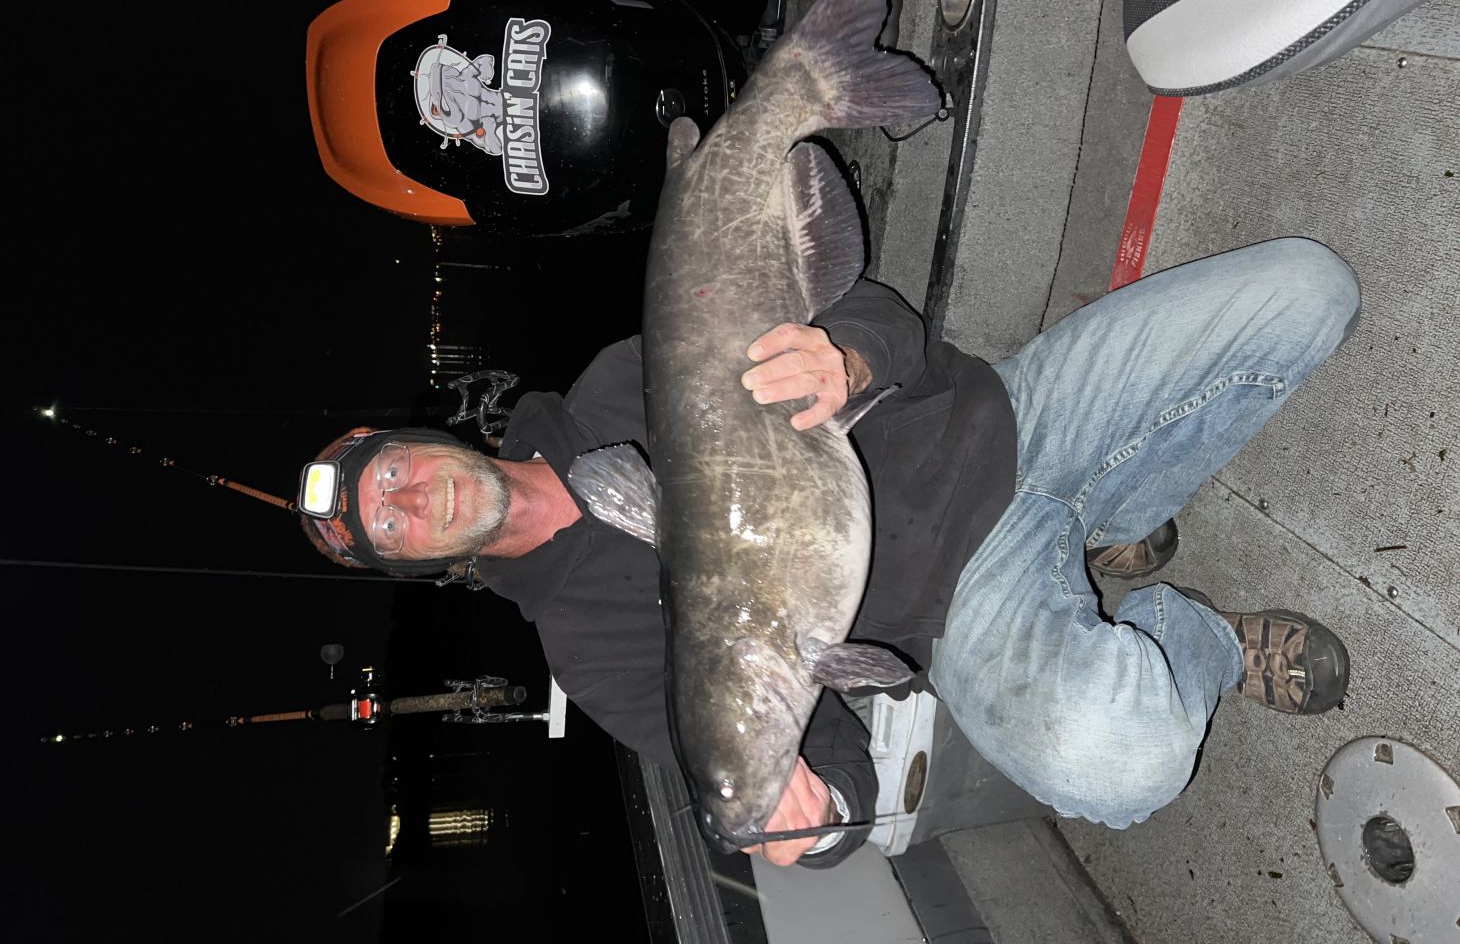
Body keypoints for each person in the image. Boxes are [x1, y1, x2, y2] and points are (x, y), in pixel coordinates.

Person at [298, 236, 1358, 869]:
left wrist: (846, 353)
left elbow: (862, 311)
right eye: (387, 523)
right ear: (420, 564)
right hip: (968, 603)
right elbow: (804, 763)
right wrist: (823, 815)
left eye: (387, 468)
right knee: (1121, 760)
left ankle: (1103, 534)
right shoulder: (594, 648)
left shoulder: (618, 385)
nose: (407, 496)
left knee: (1309, 289)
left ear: (425, 439)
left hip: (1009, 418)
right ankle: (1196, 634)